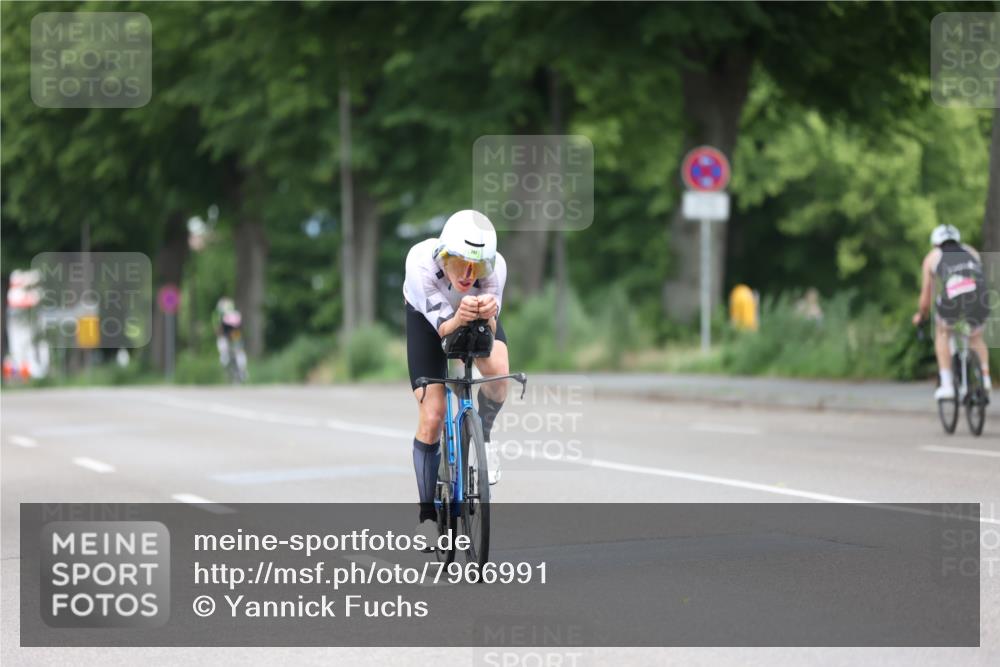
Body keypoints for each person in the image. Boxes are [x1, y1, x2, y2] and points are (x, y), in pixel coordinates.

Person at [402, 210, 509, 528]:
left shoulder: (495, 267)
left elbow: (490, 325)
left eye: (477, 266)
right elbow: (444, 330)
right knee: (432, 415)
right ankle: (427, 516)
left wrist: (488, 315)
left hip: (471, 313)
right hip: (429, 320)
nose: (468, 273)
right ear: (444, 255)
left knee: (500, 373)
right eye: (461, 262)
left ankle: (484, 436)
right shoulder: (420, 264)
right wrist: (461, 317)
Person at [912, 224, 991, 399]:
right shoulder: (971, 251)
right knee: (976, 337)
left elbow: (926, 296)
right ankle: (985, 378)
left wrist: (921, 315)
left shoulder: (933, 257)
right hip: (979, 296)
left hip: (954, 297)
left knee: (942, 333)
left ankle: (947, 384)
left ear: (935, 243)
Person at [213, 297, 248, 382]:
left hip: (232, 337)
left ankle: (239, 370)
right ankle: (238, 370)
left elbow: (220, 330)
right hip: (231, 337)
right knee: (230, 353)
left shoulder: (225, 316)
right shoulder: (236, 314)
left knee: (233, 353)